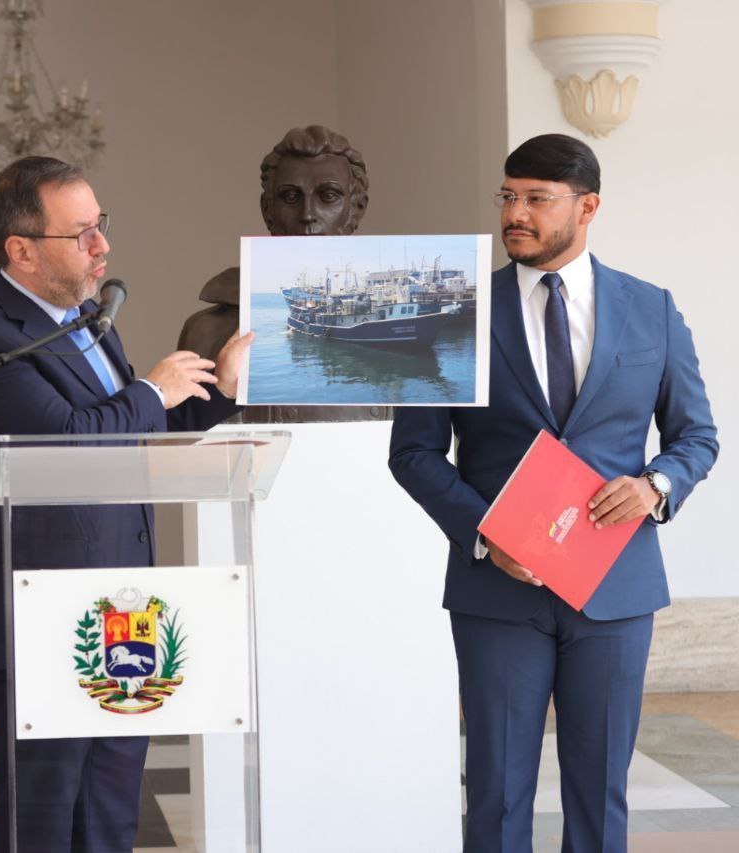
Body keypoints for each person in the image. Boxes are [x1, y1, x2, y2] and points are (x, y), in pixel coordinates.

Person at [389, 134, 719, 852]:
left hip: (616, 585)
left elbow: (697, 436)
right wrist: (487, 532)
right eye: (508, 196)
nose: (516, 213)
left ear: (587, 207)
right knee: (496, 793)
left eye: (537, 199)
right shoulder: (454, 313)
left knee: (600, 795)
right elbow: (413, 452)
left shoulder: (652, 309)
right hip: (497, 591)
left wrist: (655, 485)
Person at [0, 155, 251, 852]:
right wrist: (151, 390)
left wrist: (220, 392)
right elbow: (67, 442)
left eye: (100, 223)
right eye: (80, 232)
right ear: (21, 250)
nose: (101, 244)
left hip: (124, 613)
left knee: (110, 816)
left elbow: (132, 432)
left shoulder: (89, 318)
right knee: (45, 823)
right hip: (40, 617)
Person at [177, 123, 369, 360]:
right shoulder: (205, 330)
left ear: (357, 208)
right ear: (268, 210)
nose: (308, 214)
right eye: (291, 197)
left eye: (328, 196)